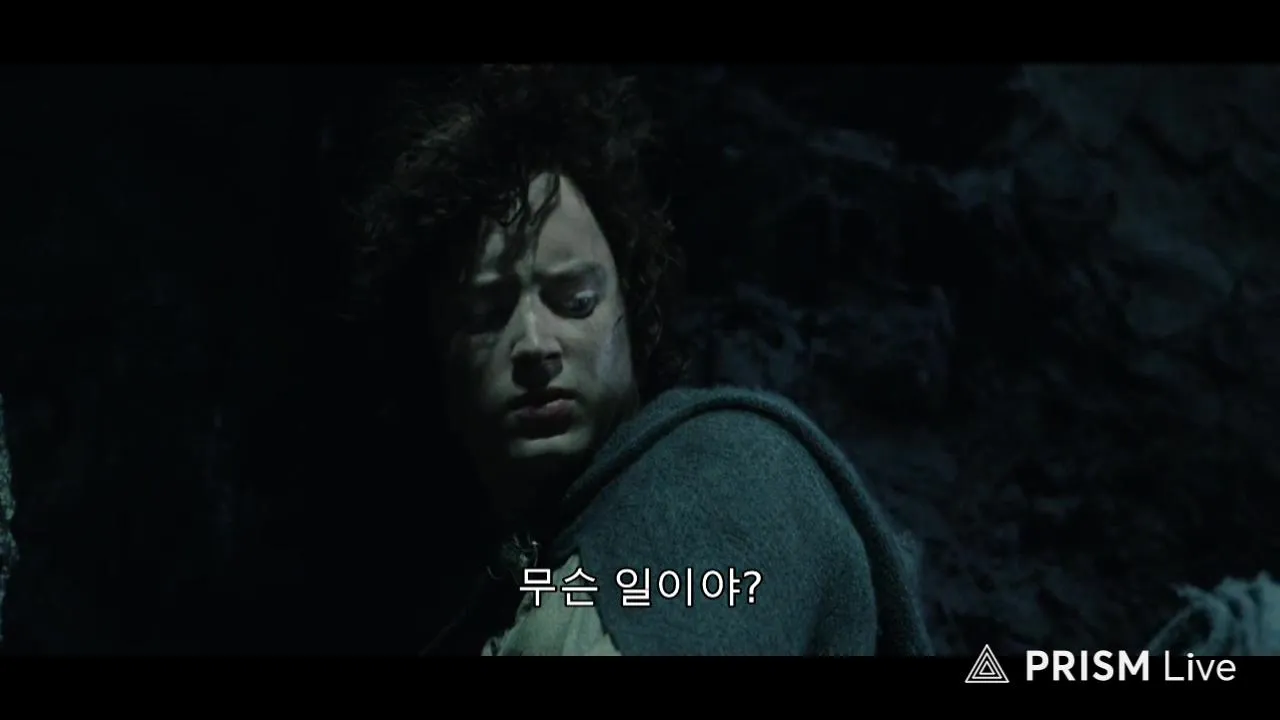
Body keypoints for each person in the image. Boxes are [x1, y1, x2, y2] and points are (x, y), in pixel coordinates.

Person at [355, 65, 932, 656]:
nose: (534, 343)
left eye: (576, 301)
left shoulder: (724, 471)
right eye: (484, 315)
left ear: (631, 312)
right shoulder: (489, 594)